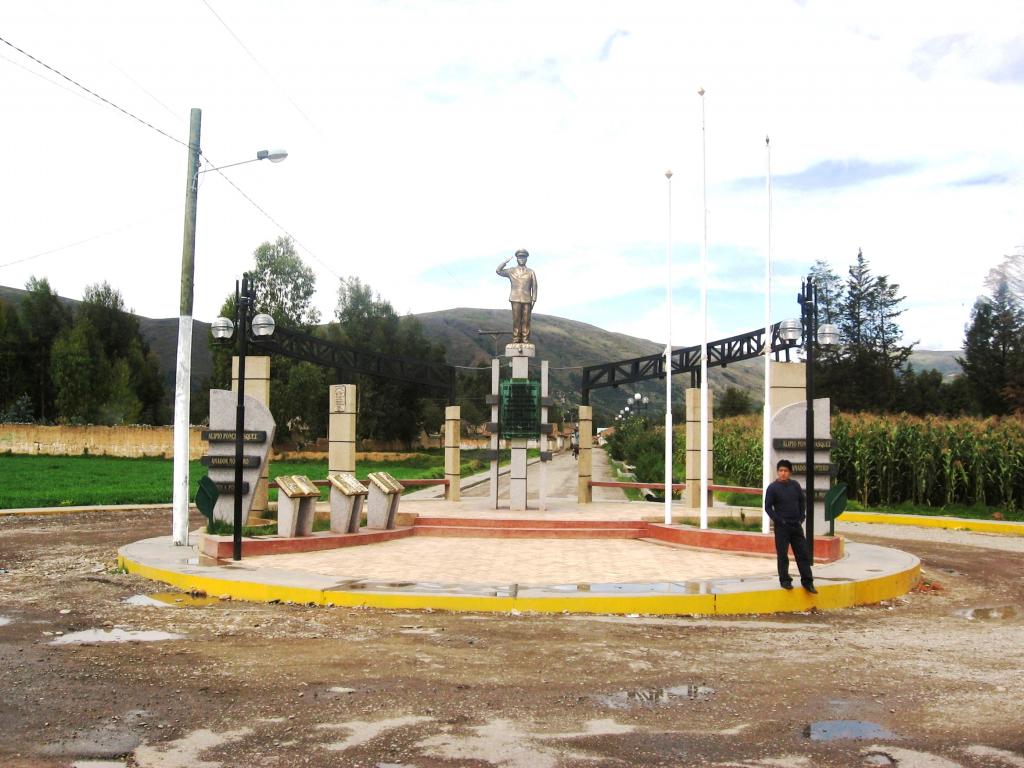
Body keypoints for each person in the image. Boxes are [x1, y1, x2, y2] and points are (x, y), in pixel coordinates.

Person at [764, 459, 817, 594]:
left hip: (796, 526)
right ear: (777, 472)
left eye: (786, 471)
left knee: (803, 554)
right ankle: (785, 581)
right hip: (782, 527)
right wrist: (778, 520)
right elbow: (768, 507)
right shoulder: (772, 488)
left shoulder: (795, 485)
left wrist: (802, 517)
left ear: (790, 472)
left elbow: (801, 502)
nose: (783, 473)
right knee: (783, 555)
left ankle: (807, 582)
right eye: (781, 470)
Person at [496, 249, 538, 344]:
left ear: (526, 259)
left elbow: (535, 286)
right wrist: (505, 262)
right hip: (515, 298)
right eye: (520, 257)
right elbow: (498, 271)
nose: (521, 259)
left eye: (523, 257)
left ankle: (525, 339)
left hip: (527, 299)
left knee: (526, 320)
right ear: (517, 259)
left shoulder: (531, 272)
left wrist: (534, 298)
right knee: (516, 320)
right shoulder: (511, 271)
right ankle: (516, 339)